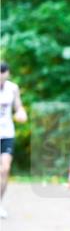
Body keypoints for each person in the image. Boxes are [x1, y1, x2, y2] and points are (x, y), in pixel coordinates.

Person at [0, 62, 28, 219]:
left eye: (3, 74)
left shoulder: (13, 88)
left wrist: (21, 113)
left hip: (7, 133)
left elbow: (19, 107)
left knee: (4, 169)